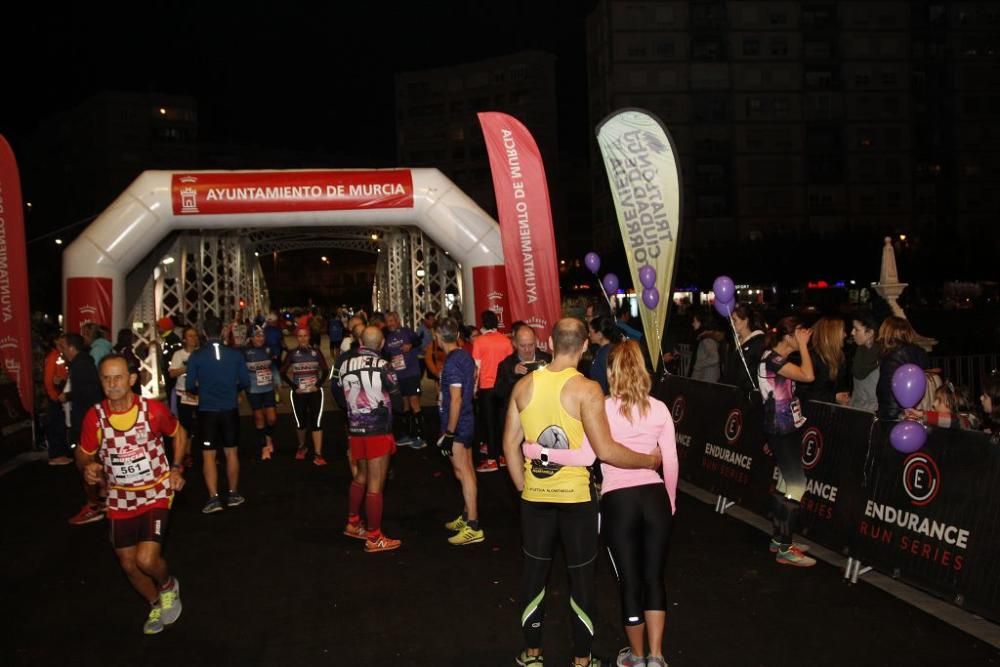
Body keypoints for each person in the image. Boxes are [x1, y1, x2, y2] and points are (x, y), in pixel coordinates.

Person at [502, 318, 662, 667]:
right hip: (576, 502)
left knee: (534, 576)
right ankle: (580, 660)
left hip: (536, 500)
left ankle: (532, 655)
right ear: (585, 345)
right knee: (582, 579)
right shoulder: (588, 390)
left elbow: (508, 444)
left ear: (549, 341)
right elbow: (605, 451)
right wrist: (648, 460)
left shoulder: (524, 386)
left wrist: (523, 487)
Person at [76, 354, 188, 634]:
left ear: (132, 379)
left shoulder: (152, 411)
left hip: (156, 492)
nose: (112, 384)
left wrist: (176, 468)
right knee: (128, 565)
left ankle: (167, 585)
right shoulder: (96, 417)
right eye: (106, 378)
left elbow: (180, 433)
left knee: (146, 560)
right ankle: (154, 604)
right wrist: (87, 466)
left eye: (118, 377)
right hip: (120, 497)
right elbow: (83, 454)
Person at [336, 326, 404, 553]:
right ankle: (374, 537)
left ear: (361, 342)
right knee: (376, 483)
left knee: (361, 476)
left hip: (355, 428)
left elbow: (338, 391)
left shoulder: (345, 364)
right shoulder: (384, 366)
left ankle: (353, 522)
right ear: (382, 343)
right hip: (377, 429)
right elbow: (397, 400)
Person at [758, 316, 816, 567]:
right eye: (800, 334)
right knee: (797, 485)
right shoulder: (773, 359)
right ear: (789, 336)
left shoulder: (776, 359)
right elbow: (808, 375)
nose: (805, 338)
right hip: (780, 429)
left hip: (786, 428)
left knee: (786, 482)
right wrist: (803, 347)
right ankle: (785, 548)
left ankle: (779, 539)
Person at [185, 316, 251, 513]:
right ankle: (233, 493)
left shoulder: (196, 356)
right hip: (229, 409)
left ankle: (213, 497)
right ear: (223, 331)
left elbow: (189, 386)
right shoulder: (235, 354)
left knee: (208, 455)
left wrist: (202, 392)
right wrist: (232, 390)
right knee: (231, 451)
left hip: (207, 411)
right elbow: (246, 382)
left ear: (203, 333)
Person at [434, 317, 485, 546]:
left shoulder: (454, 362)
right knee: (466, 469)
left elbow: (455, 399)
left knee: (462, 471)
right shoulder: (464, 356)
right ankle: (467, 515)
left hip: (458, 423)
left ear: (437, 337)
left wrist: (450, 433)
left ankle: (473, 525)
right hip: (467, 419)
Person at [63, 333, 108, 525]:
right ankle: (104, 498)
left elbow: (88, 395)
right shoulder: (84, 364)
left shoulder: (82, 365)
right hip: (89, 422)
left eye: (62, 347)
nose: (61, 351)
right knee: (95, 462)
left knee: (85, 463)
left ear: (71, 347)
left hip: (86, 424)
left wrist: (68, 396)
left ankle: (94, 505)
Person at [471, 310, 513, 472]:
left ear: (483, 323)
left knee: (489, 423)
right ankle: (502, 456)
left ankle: (491, 459)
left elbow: (477, 367)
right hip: (503, 387)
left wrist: (474, 389)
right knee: (502, 422)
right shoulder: (505, 340)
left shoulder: (479, 341)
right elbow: (510, 365)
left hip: (486, 387)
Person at [282, 327, 330, 465]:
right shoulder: (292, 354)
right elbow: (282, 372)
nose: (302, 338)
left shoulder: (316, 352)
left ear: (309, 337)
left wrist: (318, 384)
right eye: (300, 336)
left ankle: (318, 454)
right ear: (297, 338)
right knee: (301, 422)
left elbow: (326, 370)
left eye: (305, 336)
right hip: (299, 394)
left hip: (315, 393)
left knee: (316, 422)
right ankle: (302, 446)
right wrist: (294, 387)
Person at [383, 311, 426, 448]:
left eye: (392, 321)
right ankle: (409, 435)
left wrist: (411, 346)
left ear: (397, 321)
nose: (389, 324)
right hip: (398, 376)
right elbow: (385, 355)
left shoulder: (406, 331)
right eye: (387, 321)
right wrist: (388, 362)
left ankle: (420, 437)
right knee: (404, 405)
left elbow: (418, 340)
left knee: (414, 403)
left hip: (412, 374)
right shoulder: (387, 338)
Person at [876, 316, 929, 420]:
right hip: (916, 415)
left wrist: (886, 419)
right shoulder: (918, 355)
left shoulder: (892, 359)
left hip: (895, 420)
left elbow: (889, 398)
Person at [495, 324, 552, 411]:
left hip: (543, 411)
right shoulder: (507, 365)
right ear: (514, 344)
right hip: (517, 414)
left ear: (536, 341)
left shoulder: (548, 360)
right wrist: (513, 373)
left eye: (531, 345)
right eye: (523, 346)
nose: (527, 350)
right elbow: (499, 394)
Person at [243, 326, 279, 460]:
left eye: (262, 336)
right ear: (251, 338)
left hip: (268, 388)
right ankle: (264, 447)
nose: (260, 339)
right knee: (259, 418)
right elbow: (241, 370)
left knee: (272, 418)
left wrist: (278, 382)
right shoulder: (245, 352)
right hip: (253, 389)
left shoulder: (269, 349)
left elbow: (273, 367)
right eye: (257, 336)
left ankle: (268, 436)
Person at [797, 317, 850, 405]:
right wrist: (833, 397)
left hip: (832, 410)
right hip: (814, 412)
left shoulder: (840, 357)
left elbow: (841, 385)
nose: (845, 335)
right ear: (832, 334)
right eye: (842, 332)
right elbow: (801, 393)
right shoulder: (811, 358)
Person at [169, 327, 200, 462]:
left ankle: (207, 452)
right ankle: (186, 454)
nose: (193, 338)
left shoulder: (202, 353)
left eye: (195, 336)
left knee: (202, 423)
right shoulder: (178, 354)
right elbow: (172, 373)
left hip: (200, 394)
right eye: (190, 336)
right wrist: (187, 368)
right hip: (183, 394)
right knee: (185, 425)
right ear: (184, 339)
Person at [721, 304, 766, 396]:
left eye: (734, 320)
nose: (731, 323)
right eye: (731, 320)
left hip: (747, 395)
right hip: (731, 393)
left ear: (745, 321)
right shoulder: (734, 341)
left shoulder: (758, 342)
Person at [43, 334, 71, 465]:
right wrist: (54, 396)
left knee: (59, 424)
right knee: (56, 424)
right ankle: (56, 455)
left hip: (58, 394)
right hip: (56, 396)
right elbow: (48, 380)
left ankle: (59, 453)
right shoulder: (54, 356)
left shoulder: (59, 356)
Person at [848, 312, 880, 412]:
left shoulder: (883, 356)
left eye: (856, 329)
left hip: (873, 413)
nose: (852, 332)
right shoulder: (860, 351)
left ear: (870, 333)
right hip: (856, 409)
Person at [587, 315, 619, 395]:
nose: (589, 335)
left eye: (591, 332)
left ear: (599, 334)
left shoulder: (606, 354)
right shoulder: (605, 350)